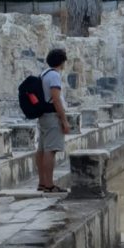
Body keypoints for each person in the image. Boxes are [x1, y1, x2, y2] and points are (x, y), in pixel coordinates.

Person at [36, 48, 70, 192]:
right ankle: (49, 185)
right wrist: (64, 120)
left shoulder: (43, 74)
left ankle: (42, 182)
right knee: (51, 150)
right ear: (62, 62)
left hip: (43, 116)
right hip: (52, 116)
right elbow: (56, 99)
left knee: (42, 149)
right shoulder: (54, 76)